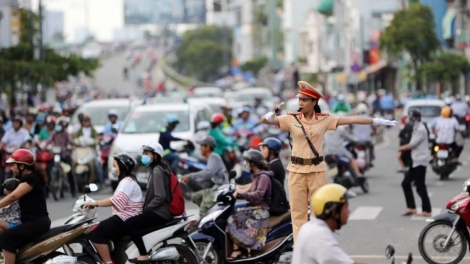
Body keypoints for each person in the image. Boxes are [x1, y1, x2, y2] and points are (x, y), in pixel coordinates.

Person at [261, 80, 396, 242]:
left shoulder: (324, 120)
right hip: (296, 171)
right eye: (300, 100)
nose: (301, 103)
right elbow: (266, 121)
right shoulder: (291, 119)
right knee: (298, 215)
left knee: (321, 210)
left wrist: (376, 121)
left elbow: (351, 119)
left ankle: (320, 245)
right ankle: (301, 250)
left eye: (304, 100)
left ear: (314, 102)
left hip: (317, 170)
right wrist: (269, 116)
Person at [84, 153, 143, 264]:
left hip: (126, 218)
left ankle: (108, 262)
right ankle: (112, 258)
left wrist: (95, 203)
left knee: (95, 233)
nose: (113, 168)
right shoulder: (127, 181)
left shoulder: (127, 182)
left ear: (122, 167)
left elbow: (115, 200)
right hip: (126, 217)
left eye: (115, 166)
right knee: (103, 231)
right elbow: (115, 198)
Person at [292, 183, 366, 264]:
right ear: (335, 212)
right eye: (346, 207)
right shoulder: (320, 236)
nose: (349, 211)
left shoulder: (310, 227)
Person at [0, 149, 51, 264]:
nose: (11, 168)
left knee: (6, 238)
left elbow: (13, 197)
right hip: (32, 222)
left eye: (13, 165)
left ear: (22, 166)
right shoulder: (26, 179)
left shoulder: (31, 178)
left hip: (36, 223)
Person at [125, 142, 173, 263]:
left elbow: (160, 196)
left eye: (146, 153)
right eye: (143, 153)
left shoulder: (157, 170)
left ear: (155, 155)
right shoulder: (157, 168)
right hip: (160, 211)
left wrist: (146, 209)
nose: (144, 156)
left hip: (160, 212)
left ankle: (143, 254)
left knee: (130, 224)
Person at [226, 149, 272, 260]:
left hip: (261, 210)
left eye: (247, 162)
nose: (246, 164)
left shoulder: (264, 177)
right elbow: (249, 189)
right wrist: (237, 189)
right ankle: (241, 247)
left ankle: (238, 249)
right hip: (254, 206)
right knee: (230, 212)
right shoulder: (257, 176)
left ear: (253, 163)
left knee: (231, 219)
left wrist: (240, 195)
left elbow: (258, 195)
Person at [181, 136, 228, 215]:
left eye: (201, 146)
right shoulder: (211, 157)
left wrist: (190, 176)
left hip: (221, 190)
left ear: (208, 147)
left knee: (204, 209)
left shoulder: (214, 156)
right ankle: (210, 214)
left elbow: (207, 173)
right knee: (196, 196)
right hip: (216, 189)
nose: (200, 149)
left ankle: (206, 219)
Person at [398, 109, 432, 217]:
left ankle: (427, 210)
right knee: (405, 183)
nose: (410, 120)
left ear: (416, 118)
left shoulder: (421, 129)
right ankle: (411, 207)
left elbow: (412, 144)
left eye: (411, 118)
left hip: (421, 161)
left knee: (420, 186)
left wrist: (400, 149)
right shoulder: (416, 128)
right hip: (415, 161)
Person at [49, 118, 76, 196]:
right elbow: (49, 141)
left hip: (64, 154)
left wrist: (71, 146)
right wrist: (46, 146)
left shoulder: (66, 134)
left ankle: (73, 190)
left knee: (69, 172)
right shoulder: (54, 134)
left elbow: (71, 142)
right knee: (48, 169)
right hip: (56, 155)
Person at [73, 115, 103, 185]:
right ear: (82, 122)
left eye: (88, 121)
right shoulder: (80, 130)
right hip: (81, 150)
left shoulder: (93, 130)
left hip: (91, 150)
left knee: (96, 164)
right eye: (85, 121)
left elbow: (97, 138)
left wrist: (95, 141)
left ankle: (101, 182)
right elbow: (74, 138)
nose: (86, 123)